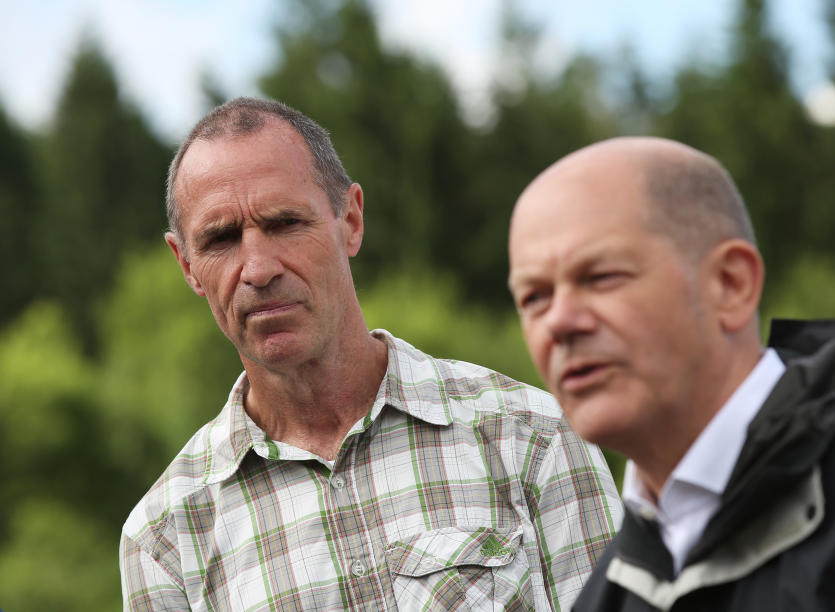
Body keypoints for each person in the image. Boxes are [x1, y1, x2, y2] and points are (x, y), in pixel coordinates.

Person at [120, 97, 623, 611]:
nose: (258, 269)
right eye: (221, 239)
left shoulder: (531, 436)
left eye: (285, 223)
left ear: (351, 220)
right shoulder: (166, 537)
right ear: (186, 264)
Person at [507, 137, 835, 611]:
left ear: (730, 284)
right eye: (533, 297)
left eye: (600, 277)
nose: (558, 322)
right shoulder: (607, 595)